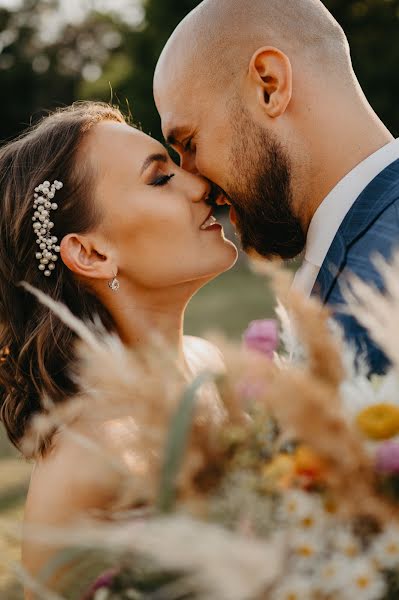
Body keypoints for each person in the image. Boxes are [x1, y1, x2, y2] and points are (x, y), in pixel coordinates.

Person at [0, 101, 237, 594]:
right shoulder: (83, 465)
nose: (202, 185)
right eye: (159, 179)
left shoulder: (214, 366)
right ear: (91, 253)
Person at [154, 0, 399, 375]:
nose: (196, 183)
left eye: (190, 144)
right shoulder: (355, 247)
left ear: (269, 85)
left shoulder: (385, 276)